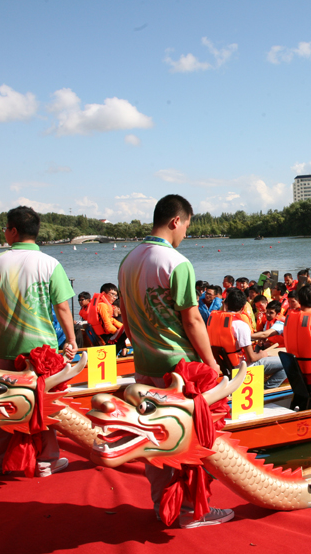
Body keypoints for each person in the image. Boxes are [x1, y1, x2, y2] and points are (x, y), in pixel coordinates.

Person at [116, 194, 232, 528]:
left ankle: (162, 505)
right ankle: (193, 510)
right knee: (192, 439)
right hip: (180, 369)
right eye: (187, 227)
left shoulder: (127, 260)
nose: (185, 235)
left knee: (155, 439)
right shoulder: (176, 262)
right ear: (175, 222)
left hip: (144, 367)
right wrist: (210, 363)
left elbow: (125, 315)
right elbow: (193, 319)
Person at [0, 206, 76, 478]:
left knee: (5, 405)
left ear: (12, 231)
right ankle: (47, 460)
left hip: (6, 347)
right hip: (42, 353)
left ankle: (3, 460)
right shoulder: (50, 264)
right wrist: (71, 339)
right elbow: (63, 308)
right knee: (46, 405)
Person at [208, 288, 285, 390]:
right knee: (288, 363)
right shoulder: (241, 325)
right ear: (244, 307)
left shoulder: (213, 321)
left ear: (226, 304)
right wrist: (263, 354)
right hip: (243, 367)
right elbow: (251, 358)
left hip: (226, 365)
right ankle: (267, 389)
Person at [86, 283, 127, 355]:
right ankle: (113, 355)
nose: (114, 297)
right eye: (112, 294)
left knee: (126, 328)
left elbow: (112, 320)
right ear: (104, 294)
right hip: (106, 337)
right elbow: (108, 325)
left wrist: (122, 327)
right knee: (127, 331)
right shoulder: (102, 306)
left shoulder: (103, 305)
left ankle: (120, 353)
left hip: (105, 335)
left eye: (115, 295)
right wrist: (117, 332)